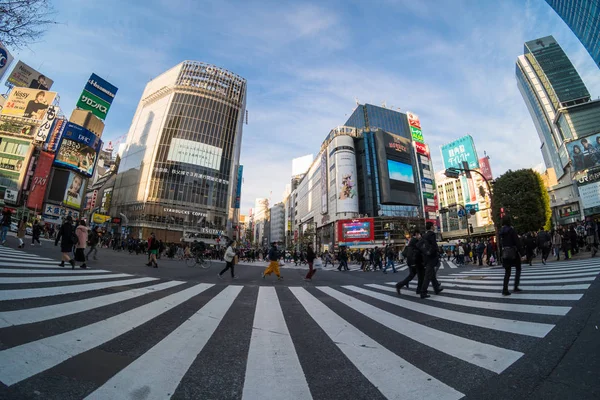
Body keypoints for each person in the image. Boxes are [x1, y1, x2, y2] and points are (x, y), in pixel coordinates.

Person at [419, 221, 443, 299]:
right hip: (431, 257)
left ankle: (436, 289)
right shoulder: (432, 234)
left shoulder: (424, 235)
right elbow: (434, 245)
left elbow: (418, 245)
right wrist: (432, 252)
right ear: (431, 227)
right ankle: (423, 292)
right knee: (428, 275)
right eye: (433, 225)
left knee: (432, 274)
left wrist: (425, 252)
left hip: (426, 258)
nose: (434, 226)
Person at [396, 230, 425, 295]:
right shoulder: (415, 240)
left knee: (412, 275)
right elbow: (421, 249)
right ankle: (419, 289)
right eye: (420, 234)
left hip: (411, 261)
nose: (420, 236)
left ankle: (399, 285)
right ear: (417, 234)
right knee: (421, 276)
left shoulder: (411, 240)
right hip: (415, 261)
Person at [499, 215, 522, 296]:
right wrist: (521, 252)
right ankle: (516, 286)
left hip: (505, 252)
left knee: (507, 272)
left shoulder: (501, 231)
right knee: (518, 268)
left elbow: (500, 244)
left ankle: (505, 289)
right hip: (513, 252)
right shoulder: (511, 230)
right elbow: (517, 242)